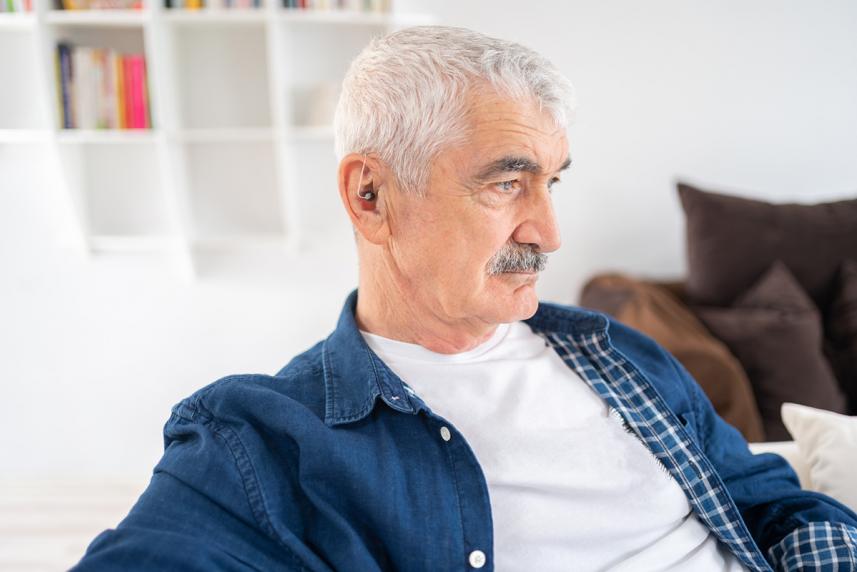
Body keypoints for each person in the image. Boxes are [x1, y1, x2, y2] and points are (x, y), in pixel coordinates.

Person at [73, 26, 857, 572]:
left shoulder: (614, 352)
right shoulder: (262, 438)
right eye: (506, 183)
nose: (548, 233)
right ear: (371, 196)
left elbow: (767, 499)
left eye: (551, 183)